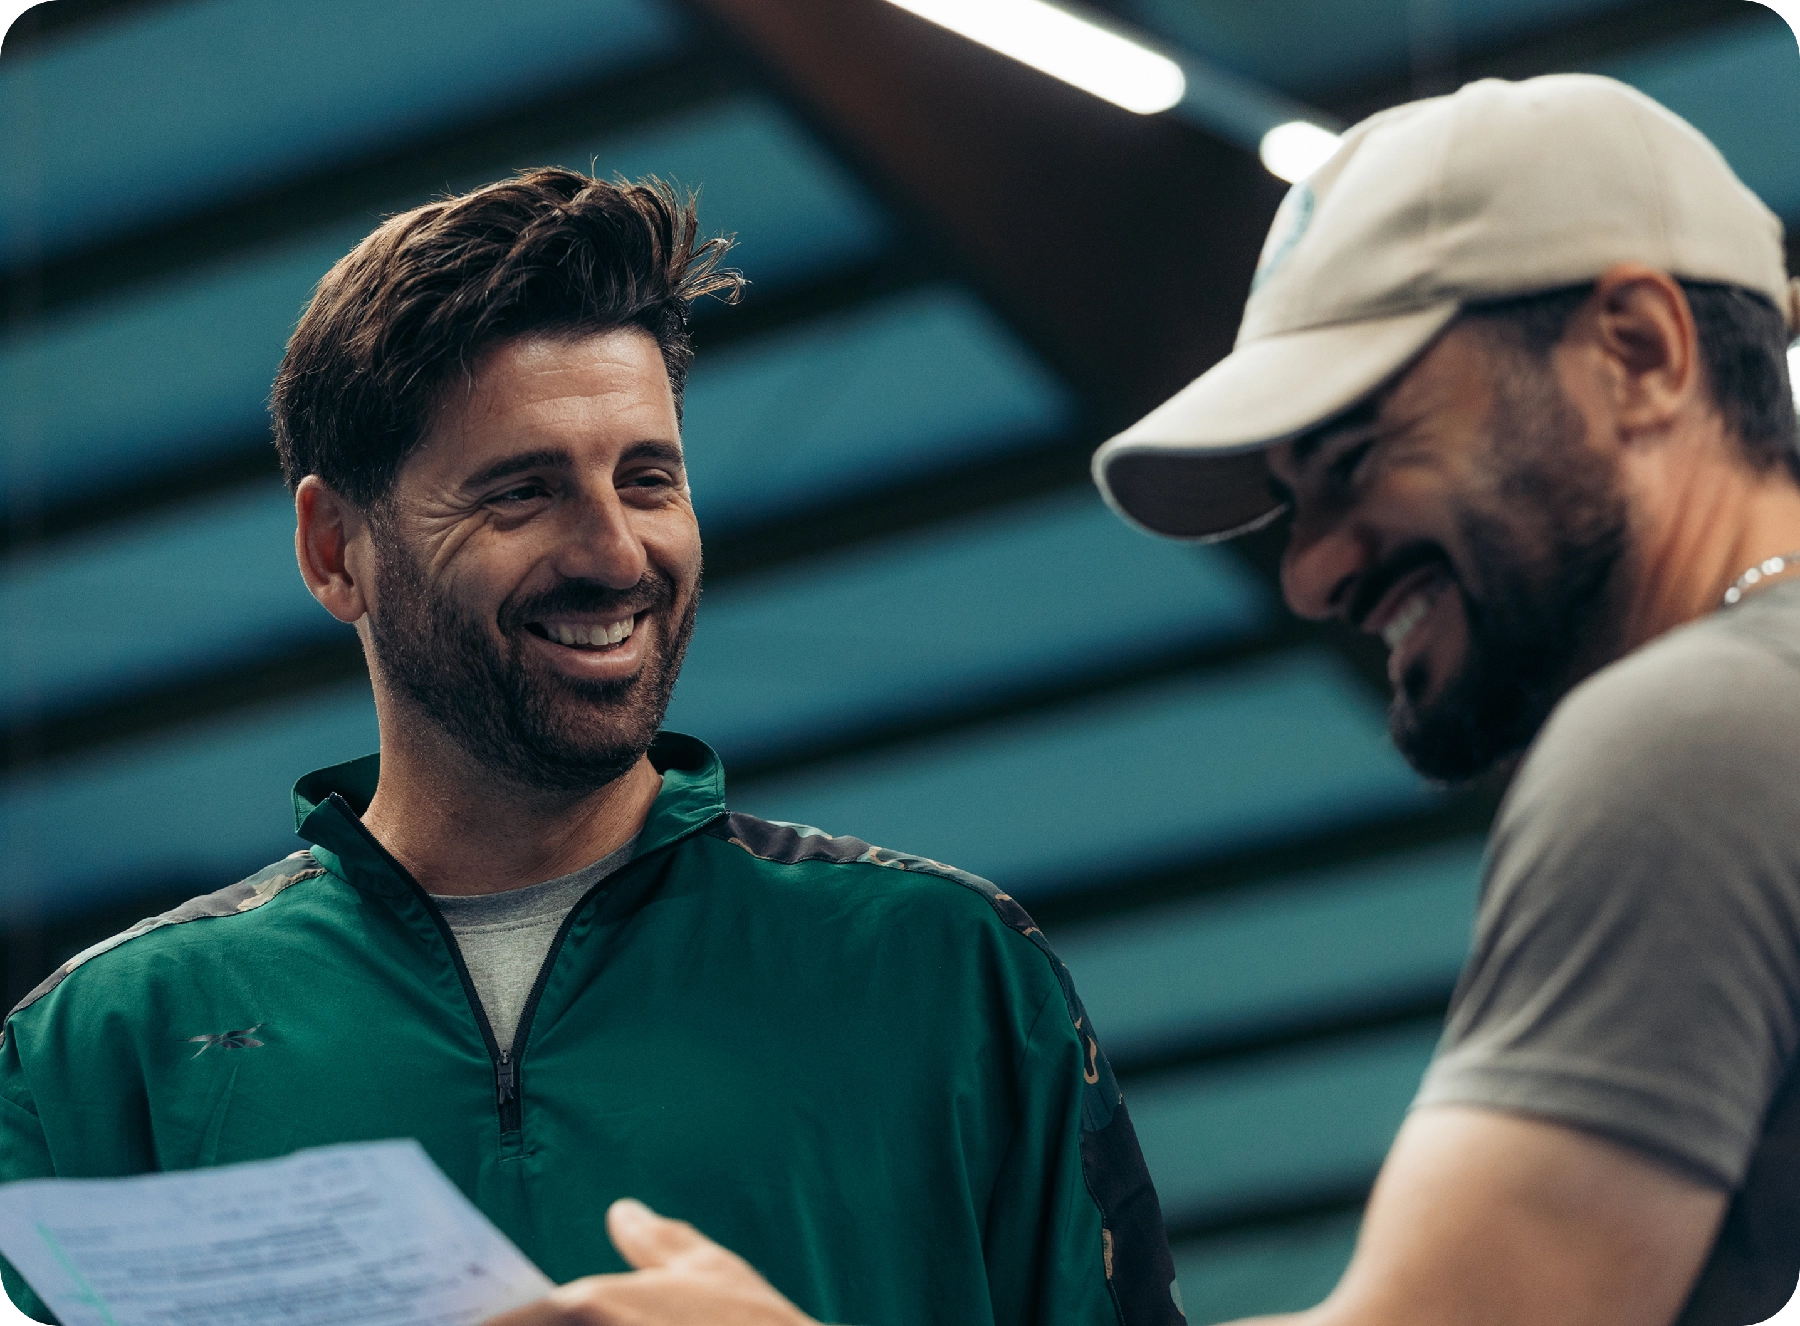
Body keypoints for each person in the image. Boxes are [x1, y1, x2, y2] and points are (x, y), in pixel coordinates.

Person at [514, 73, 1800, 1326]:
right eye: (1295, 500)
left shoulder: (1694, 738)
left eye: (1360, 457)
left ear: (1639, 353)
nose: (1311, 572)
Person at [0, 169, 1183, 1326]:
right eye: (522, 492)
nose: (616, 554)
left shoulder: (943, 971)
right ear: (333, 549)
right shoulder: (105, 1046)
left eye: (648, 479)